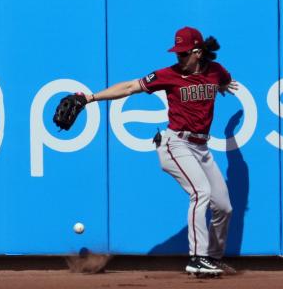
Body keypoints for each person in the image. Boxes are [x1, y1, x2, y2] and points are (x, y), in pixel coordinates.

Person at [81, 26, 239, 277]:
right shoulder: (169, 75)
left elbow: (224, 79)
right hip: (175, 143)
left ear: (198, 52)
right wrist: (89, 98)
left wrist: (223, 85)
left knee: (224, 206)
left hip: (201, 147)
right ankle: (197, 258)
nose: (179, 58)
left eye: (183, 54)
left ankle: (212, 259)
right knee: (201, 192)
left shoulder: (215, 71)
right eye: (177, 53)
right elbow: (130, 87)